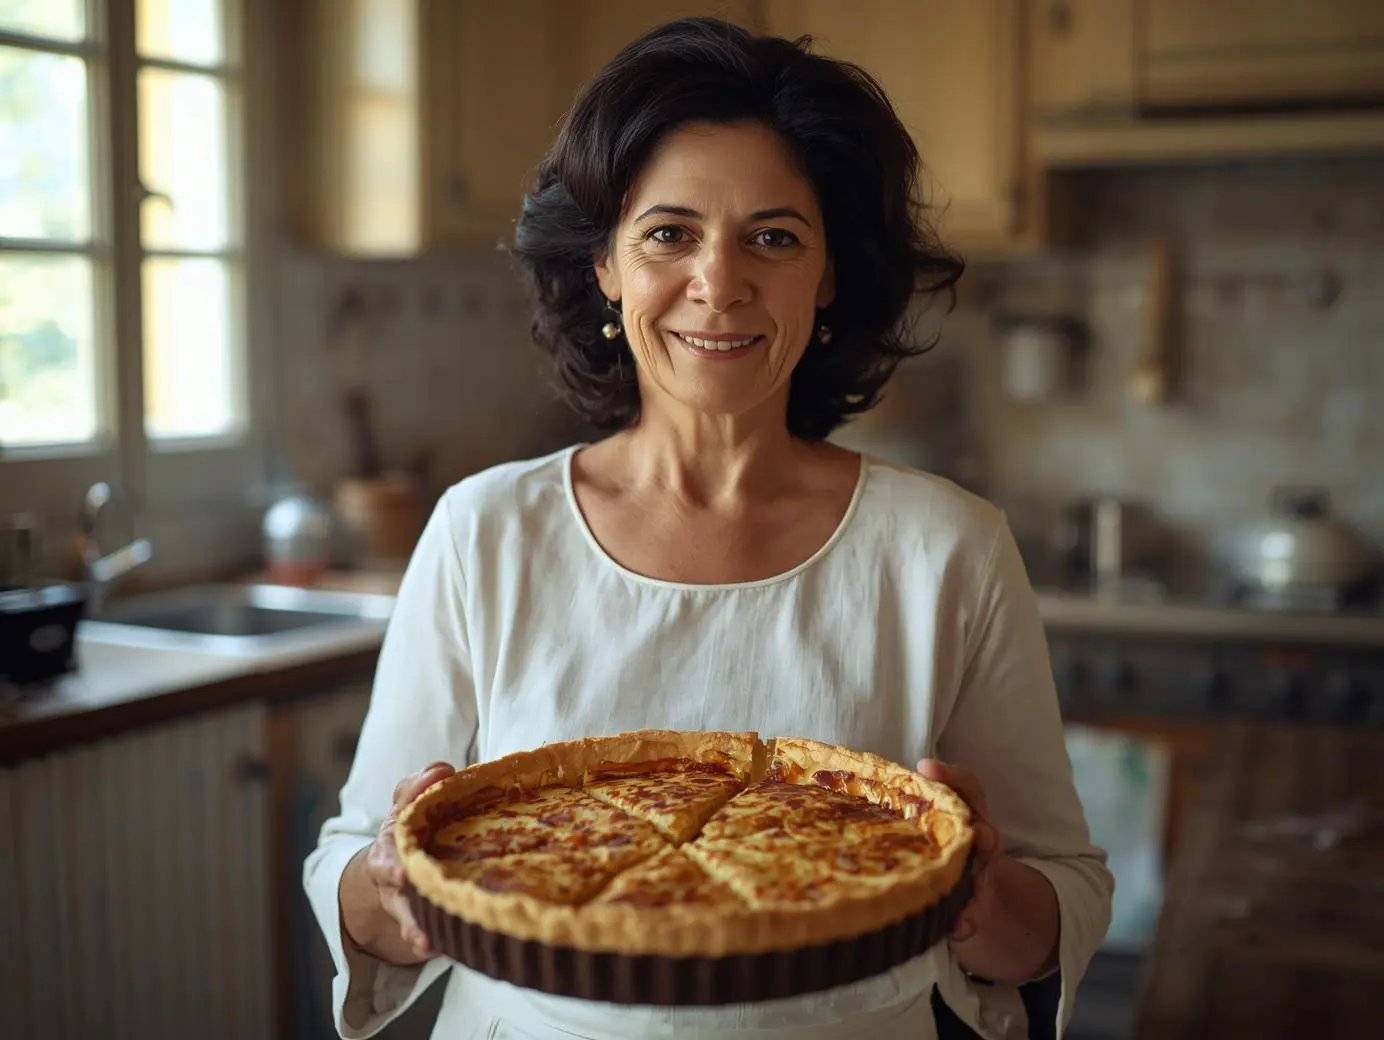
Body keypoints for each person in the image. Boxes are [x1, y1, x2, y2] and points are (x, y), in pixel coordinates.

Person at [304, 16, 1112, 1040]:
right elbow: (352, 864)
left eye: (772, 236)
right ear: (605, 266)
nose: (718, 282)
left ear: (828, 276)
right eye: (668, 233)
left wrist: (981, 899)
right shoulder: (484, 531)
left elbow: (1066, 893)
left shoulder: (947, 548)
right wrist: (385, 886)